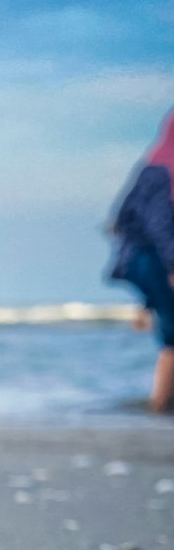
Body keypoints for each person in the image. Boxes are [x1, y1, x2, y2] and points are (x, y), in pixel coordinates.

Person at [107, 110, 174, 413]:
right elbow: (160, 224)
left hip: (140, 261)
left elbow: (121, 218)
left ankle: (160, 406)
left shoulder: (153, 164)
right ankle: (159, 407)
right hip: (154, 261)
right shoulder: (167, 170)